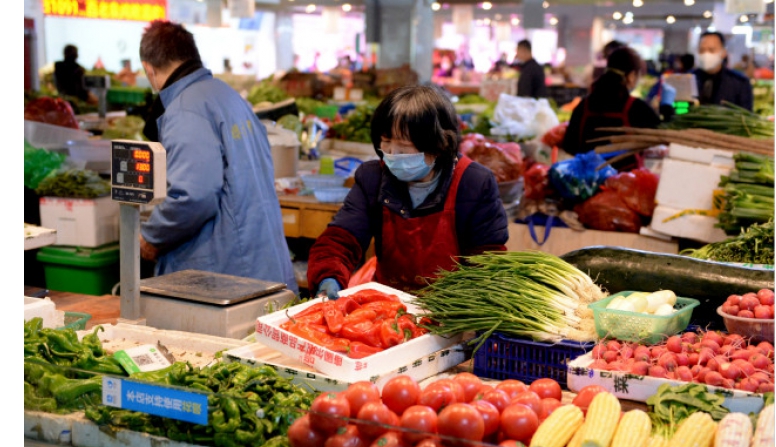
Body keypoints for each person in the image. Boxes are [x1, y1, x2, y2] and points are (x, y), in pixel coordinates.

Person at [137, 20, 298, 293]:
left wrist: (152, 236)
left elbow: (193, 196)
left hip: (226, 273)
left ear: (149, 69)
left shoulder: (185, 109)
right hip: (261, 263)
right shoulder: (228, 96)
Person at [307, 84, 509, 297]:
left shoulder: (475, 183)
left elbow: (487, 263)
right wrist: (328, 276)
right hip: (388, 308)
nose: (392, 154)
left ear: (439, 145)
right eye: (386, 142)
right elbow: (341, 239)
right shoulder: (373, 178)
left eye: (403, 147)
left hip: (452, 312)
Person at [562, 46, 661, 170]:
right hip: (624, 184)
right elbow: (663, 137)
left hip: (586, 184)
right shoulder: (637, 108)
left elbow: (568, 146)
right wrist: (667, 109)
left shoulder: (583, 106)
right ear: (631, 76)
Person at [693, 31, 753, 111]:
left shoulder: (740, 83)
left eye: (711, 50)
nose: (706, 54)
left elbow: (746, 115)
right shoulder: (689, 78)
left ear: (723, 52)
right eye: (702, 50)